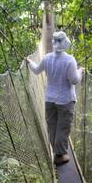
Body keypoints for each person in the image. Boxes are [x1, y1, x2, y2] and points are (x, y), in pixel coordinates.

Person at [25, 31, 83, 166]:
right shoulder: (70, 60)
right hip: (65, 100)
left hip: (49, 99)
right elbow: (74, 80)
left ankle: (56, 150)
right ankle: (60, 155)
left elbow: (36, 70)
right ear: (65, 43)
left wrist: (28, 62)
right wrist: (80, 71)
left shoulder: (46, 58)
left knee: (52, 126)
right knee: (63, 128)